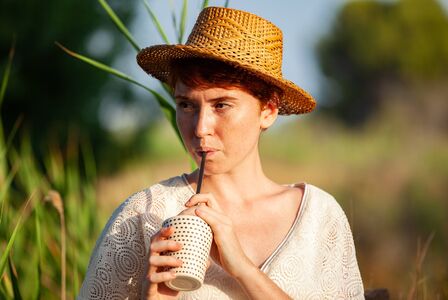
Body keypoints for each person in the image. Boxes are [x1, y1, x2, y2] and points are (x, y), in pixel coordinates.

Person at [78, 6, 364, 300]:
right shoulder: (143, 214)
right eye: (186, 105)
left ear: (268, 109)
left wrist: (242, 268)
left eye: (221, 105)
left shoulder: (319, 217)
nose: (200, 128)